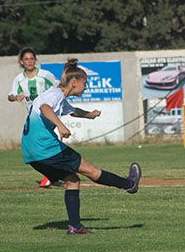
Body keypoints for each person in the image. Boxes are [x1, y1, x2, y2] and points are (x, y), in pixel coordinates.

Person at [21, 59, 142, 234]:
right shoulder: (54, 95)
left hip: (30, 152)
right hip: (46, 148)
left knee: (72, 180)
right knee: (92, 171)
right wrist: (61, 126)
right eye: (84, 83)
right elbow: (45, 108)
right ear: (74, 83)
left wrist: (89, 115)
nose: (86, 87)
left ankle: (75, 226)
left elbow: (72, 110)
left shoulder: (59, 96)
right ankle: (130, 184)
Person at [8, 47, 58, 188]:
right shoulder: (19, 79)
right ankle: (56, 171)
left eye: (31, 58)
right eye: (26, 59)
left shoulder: (45, 75)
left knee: (40, 144)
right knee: (38, 145)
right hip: (32, 116)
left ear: (35, 60)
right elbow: (10, 96)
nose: (29, 61)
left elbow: (58, 88)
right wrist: (15, 97)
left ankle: (50, 175)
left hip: (47, 114)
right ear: (21, 62)